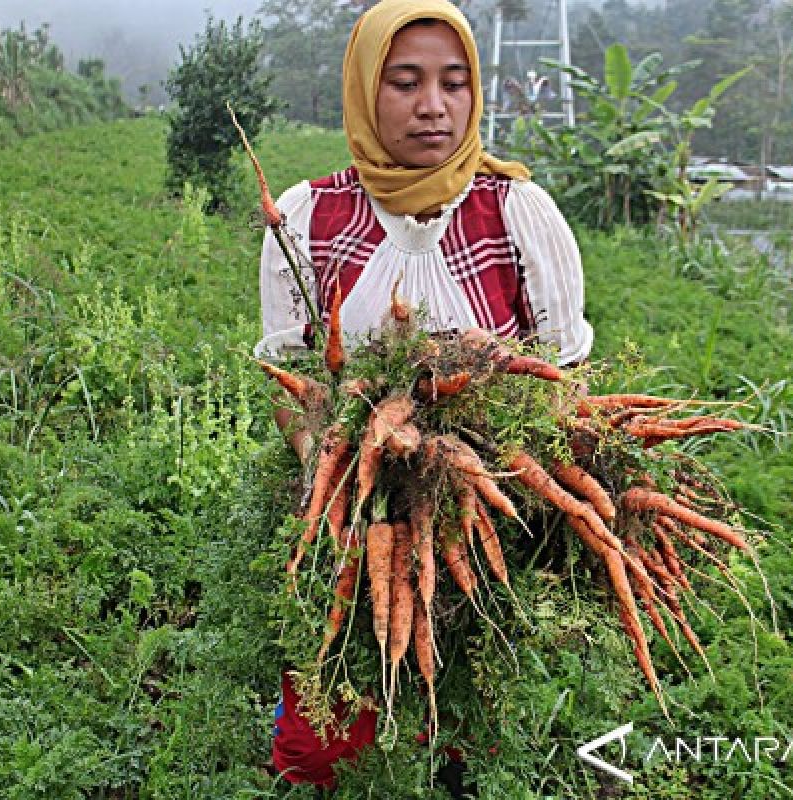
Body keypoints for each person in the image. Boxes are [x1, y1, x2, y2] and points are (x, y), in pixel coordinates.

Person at [256, 0, 593, 789]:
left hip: (484, 529)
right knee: (319, 743)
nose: (433, 106)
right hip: (350, 526)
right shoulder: (307, 217)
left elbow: (563, 381)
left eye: (454, 83)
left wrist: (485, 482)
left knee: (461, 736)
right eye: (404, 82)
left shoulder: (518, 213)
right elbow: (295, 388)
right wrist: (336, 475)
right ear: (365, 92)